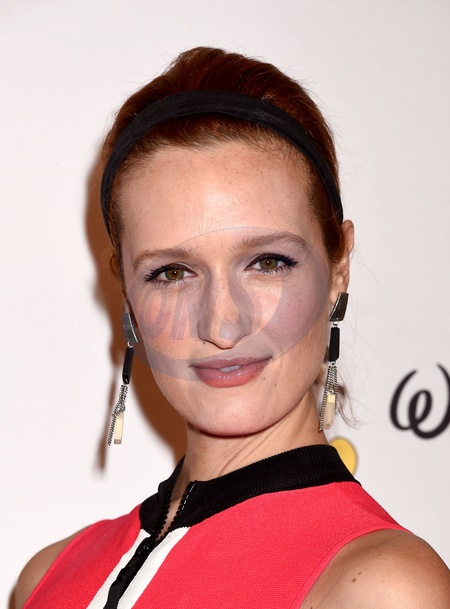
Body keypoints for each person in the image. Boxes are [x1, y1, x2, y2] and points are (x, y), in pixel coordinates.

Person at [16, 46, 450, 609]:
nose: (222, 324)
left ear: (338, 267)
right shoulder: (45, 579)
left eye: (268, 262)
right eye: (172, 273)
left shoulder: (381, 587)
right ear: (126, 295)